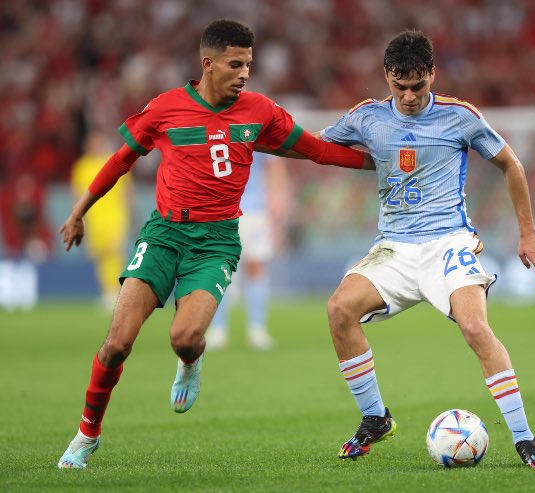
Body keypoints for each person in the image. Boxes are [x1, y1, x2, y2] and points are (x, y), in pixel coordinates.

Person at [56, 18, 372, 470]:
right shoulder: (165, 108)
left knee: (185, 337)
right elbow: (121, 159)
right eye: (235, 64)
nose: (245, 73)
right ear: (208, 63)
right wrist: (78, 211)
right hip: (163, 234)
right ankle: (87, 436)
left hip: (218, 240)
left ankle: (191, 360)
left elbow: (316, 149)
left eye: (249, 64)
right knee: (116, 344)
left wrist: (378, 165)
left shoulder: (259, 110)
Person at [319, 30, 535, 468]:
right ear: (387, 77)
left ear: (432, 74)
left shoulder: (460, 117)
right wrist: (261, 138)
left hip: (448, 243)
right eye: (399, 86)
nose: (408, 96)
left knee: (475, 329)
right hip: (392, 248)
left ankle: (524, 439)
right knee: (338, 310)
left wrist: (527, 232)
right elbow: (319, 147)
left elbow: (510, 164)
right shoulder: (366, 117)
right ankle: (375, 418)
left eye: (417, 86)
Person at [206, 151, 285, 350]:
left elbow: (274, 164)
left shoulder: (255, 126)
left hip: (255, 210)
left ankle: (257, 329)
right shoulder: (214, 127)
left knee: (255, 267)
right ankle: (218, 329)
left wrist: (277, 197)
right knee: (220, 269)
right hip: (221, 210)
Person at [70, 130, 131, 310]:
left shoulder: (115, 161)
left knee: (114, 253)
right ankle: (108, 292)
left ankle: (117, 292)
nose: (94, 145)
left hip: (115, 216)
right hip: (94, 218)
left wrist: (130, 212)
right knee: (100, 255)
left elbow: (128, 191)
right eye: (91, 142)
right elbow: (76, 192)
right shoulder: (81, 166)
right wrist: (78, 216)